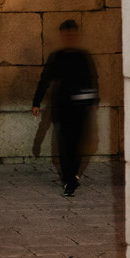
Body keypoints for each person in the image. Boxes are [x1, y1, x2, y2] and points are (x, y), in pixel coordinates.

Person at [31, 19, 99, 197]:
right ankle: (69, 179)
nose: (69, 38)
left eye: (72, 34)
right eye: (66, 35)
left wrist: (94, 101)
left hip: (80, 109)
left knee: (76, 145)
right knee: (64, 145)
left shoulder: (84, 57)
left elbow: (92, 79)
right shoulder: (57, 57)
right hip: (62, 108)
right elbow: (44, 80)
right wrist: (36, 102)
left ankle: (71, 177)